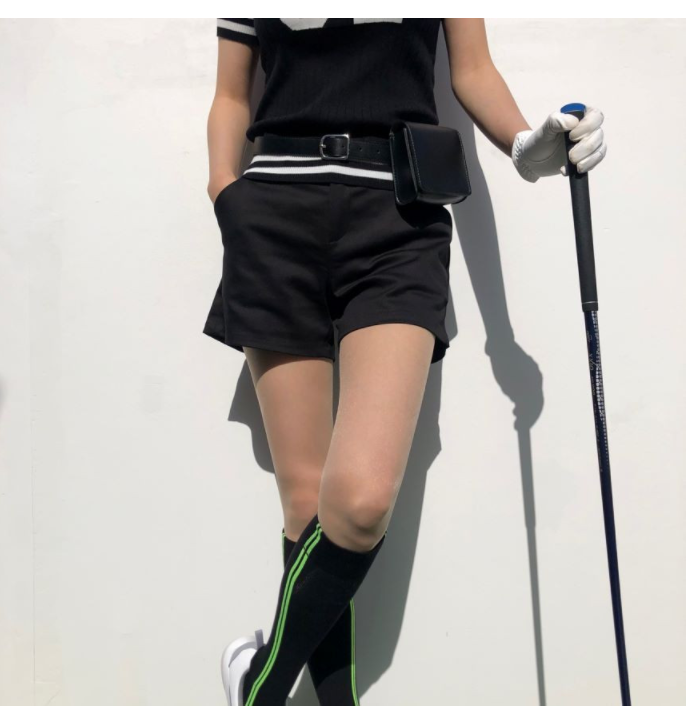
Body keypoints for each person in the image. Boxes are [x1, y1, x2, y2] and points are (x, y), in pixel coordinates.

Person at [204, 18, 606, 706]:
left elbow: (471, 69)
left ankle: (259, 690)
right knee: (305, 505)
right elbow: (231, 94)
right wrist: (224, 192)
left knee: (358, 504)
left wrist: (522, 146)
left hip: (397, 219)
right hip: (271, 216)